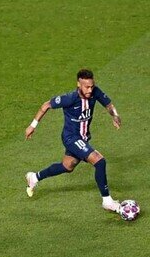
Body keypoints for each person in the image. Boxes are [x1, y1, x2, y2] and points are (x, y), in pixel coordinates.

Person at [25, 69, 121, 212]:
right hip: (71, 138)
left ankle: (34, 177)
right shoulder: (69, 98)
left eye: (92, 86)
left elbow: (108, 104)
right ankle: (107, 201)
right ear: (78, 84)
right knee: (100, 162)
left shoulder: (95, 92)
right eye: (86, 87)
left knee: (67, 166)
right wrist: (32, 126)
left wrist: (115, 116)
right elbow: (46, 105)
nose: (90, 90)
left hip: (83, 138)